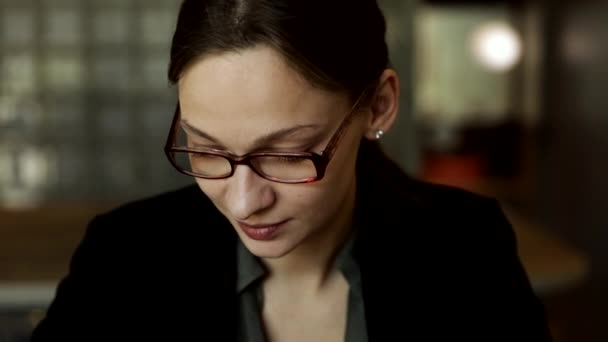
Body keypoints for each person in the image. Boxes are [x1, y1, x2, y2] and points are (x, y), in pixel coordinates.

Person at [31, 0, 552, 341]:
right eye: (206, 148)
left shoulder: (467, 249)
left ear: (379, 105)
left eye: (285, 154)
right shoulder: (123, 257)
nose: (242, 201)